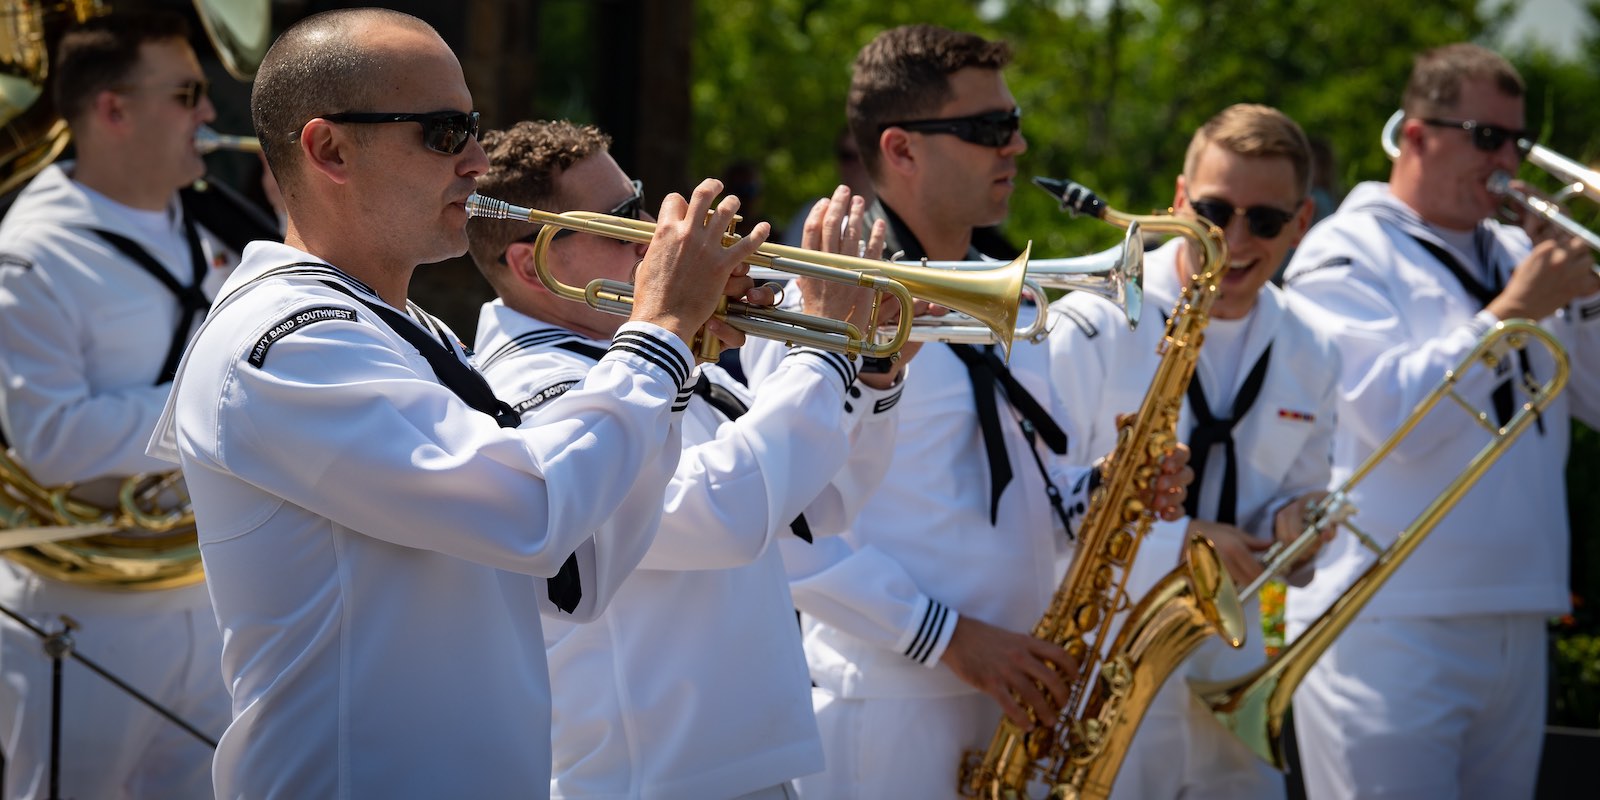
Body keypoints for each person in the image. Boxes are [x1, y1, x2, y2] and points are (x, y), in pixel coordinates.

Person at [144, 9, 764, 798]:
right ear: (330, 149)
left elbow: (579, 567)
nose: (477, 161)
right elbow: (533, 509)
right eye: (444, 133)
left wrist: (674, 366)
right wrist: (659, 332)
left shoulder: (405, 328)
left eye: (472, 128)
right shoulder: (288, 340)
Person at [754, 24, 1191, 798]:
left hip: (1018, 693)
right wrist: (950, 639)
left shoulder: (1016, 296)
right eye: (989, 128)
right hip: (890, 709)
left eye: (1013, 123)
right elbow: (779, 529)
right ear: (901, 149)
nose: (1015, 146)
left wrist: (1106, 490)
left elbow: (1021, 492)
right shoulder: (821, 303)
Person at [466, 120, 908, 800]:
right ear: (533, 264)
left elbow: (817, 507)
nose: (655, 234)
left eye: (642, 203)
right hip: (646, 782)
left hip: (745, 767)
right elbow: (722, 518)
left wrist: (872, 372)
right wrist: (826, 353)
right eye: (622, 220)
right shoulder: (535, 388)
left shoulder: (641, 357)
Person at [1283, 43, 1600, 800]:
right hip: (1388, 620)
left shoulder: (1518, 250)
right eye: (1487, 138)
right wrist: (1512, 313)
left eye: (1518, 141)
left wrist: (1585, 298)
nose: (1508, 162)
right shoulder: (1345, 250)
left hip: (1517, 609)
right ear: (1418, 135)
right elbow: (1387, 416)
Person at [0, 11, 259, 798]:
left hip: (208, 586)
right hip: (88, 613)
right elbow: (52, 441)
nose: (208, 112)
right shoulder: (32, 255)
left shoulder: (209, 221)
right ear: (113, 109)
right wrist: (226, 401)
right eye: (186, 94)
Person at [1048, 103, 1339, 800]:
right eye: (1212, 211)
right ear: (1179, 201)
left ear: (1301, 222)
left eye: (1264, 221)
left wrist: (1297, 529)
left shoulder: (1315, 344)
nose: (1233, 240)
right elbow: (1045, 496)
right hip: (1100, 658)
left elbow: (1292, 500)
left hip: (1232, 662)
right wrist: (1180, 539)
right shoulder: (1094, 316)